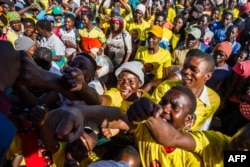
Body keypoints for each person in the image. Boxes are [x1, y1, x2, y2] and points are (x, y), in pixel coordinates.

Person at [44, 86, 202, 167]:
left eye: (175, 107)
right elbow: (118, 117)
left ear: (188, 121)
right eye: (163, 102)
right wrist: (81, 112)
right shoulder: (147, 130)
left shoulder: (191, 157)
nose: (165, 109)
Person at [128, 98, 250, 167]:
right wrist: (148, 111)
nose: (242, 152)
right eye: (239, 142)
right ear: (237, 130)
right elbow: (172, 138)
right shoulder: (213, 141)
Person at [151, 49, 220, 130]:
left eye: (194, 70)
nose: (186, 71)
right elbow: (151, 116)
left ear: (208, 76)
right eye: (185, 67)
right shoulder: (166, 87)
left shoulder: (213, 100)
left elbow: (203, 127)